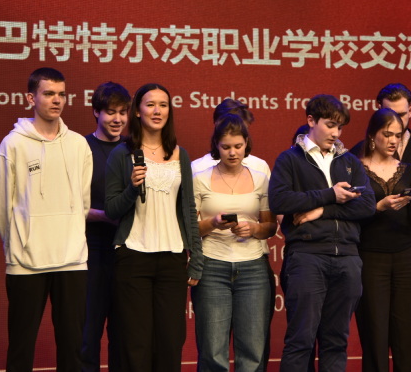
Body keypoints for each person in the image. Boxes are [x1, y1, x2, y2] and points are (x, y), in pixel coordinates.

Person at [0, 67, 92, 372]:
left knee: (72, 348)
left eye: (61, 94)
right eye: (48, 93)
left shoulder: (78, 144)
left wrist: (72, 234)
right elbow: (0, 206)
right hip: (25, 261)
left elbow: (83, 202)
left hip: (72, 260)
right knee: (21, 348)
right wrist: (19, 243)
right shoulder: (13, 145)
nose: (57, 100)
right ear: (30, 98)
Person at [269, 94, 375, 372]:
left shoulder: (349, 161)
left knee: (336, 342)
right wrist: (330, 195)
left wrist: (322, 210)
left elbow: (367, 205)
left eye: (340, 127)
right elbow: (279, 201)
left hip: (348, 257)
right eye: (330, 125)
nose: (336, 133)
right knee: (300, 340)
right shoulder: (290, 159)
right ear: (311, 121)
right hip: (308, 256)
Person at [104, 83, 203, 371]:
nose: (157, 111)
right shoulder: (122, 154)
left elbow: (188, 209)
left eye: (163, 105)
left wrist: (196, 257)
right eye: (150, 104)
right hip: (133, 256)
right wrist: (132, 189)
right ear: (137, 111)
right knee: (136, 342)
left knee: (170, 341)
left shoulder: (180, 154)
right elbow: (111, 209)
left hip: (172, 258)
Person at [191, 114, 278, 372]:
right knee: (212, 351)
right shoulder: (200, 178)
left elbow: (271, 226)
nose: (232, 153)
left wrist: (253, 228)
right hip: (211, 265)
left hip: (253, 267)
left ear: (246, 144)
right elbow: (190, 229)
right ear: (216, 146)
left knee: (252, 352)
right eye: (226, 147)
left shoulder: (260, 178)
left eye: (238, 146)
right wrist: (213, 223)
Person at [355, 107, 411, 372]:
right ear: (372, 135)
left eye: (398, 135)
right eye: (387, 134)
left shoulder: (408, 170)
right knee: (374, 330)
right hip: (370, 256)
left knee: (408, 331)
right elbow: (350, 215)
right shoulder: (355, 168)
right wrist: (378, 207)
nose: (393, 140)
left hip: (406, 256)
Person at [82, 82, 131, 372]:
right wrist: (105, 216)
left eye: (123, 112)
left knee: (123, 336)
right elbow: (71, 206)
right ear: (96, 112)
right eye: (111, 112)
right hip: (92, 251)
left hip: (128, 252)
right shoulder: (81, 149)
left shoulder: (133, 149)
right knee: (87, 334)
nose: (117, 119)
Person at [351, 83, 411, 167]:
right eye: (390, 114)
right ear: (380, 111)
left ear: (410, 111)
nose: (396, 120)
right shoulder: (359, 152)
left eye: (401, 115)